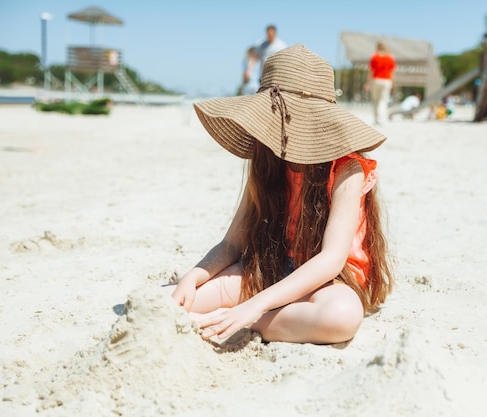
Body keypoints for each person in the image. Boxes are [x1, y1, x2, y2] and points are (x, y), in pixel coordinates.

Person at [169, 45, 394, 345]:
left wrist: (255, 306)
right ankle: (227, 317)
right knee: (171, 300)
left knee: (341, 316)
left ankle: (236, 322)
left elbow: (331, 259)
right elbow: (232, 243)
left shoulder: (347, 168)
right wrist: (196, 275)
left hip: (331, 280)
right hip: (273, 268)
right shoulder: (267, 161)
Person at [243, 25, 287, 90]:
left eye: (271, 34)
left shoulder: (281, 45)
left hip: (276, 76)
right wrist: (248, 71)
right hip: (263, 77)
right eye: (268, 34)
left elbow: (285, 61)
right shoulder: (262, 45)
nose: (269, 36)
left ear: (275, 33)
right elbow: (254, 58)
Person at [365, 42, 397, 126]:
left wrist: (367, 83)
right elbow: (391, 72)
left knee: (375, 100)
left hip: (376, 80)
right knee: (383, 101)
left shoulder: (374, 57)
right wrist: (393, 83)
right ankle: (380, 118)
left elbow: (371, 71)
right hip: (386, 81)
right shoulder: (390, 58)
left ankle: (376, 119)